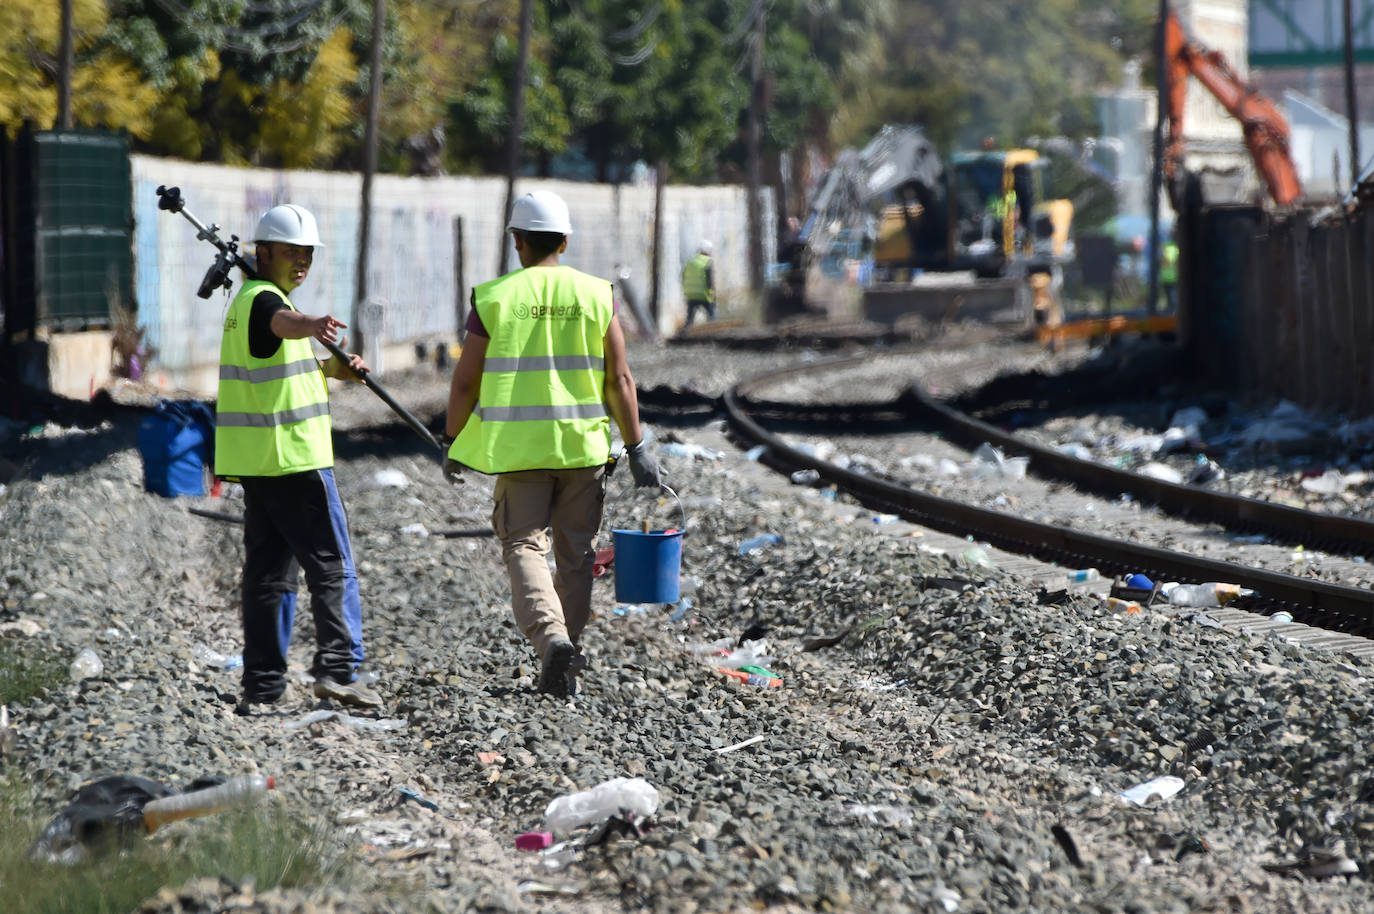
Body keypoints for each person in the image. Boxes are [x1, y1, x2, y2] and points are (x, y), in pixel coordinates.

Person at [443, 189, 661, 699]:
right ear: (564, 241)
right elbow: (620, 380)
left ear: (516, 242)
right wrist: (638, 448)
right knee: (576, 554)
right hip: (583, 450)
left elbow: (464, 383)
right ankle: (568, 651)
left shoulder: (494, 298)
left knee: (523, 544)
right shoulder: (596, 294)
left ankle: (552, 641)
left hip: (520, 452)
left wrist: (452, 440)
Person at [215, 203, 382, 711]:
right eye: (291, 252)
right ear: (262, 254)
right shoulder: (267, 303)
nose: (301, 261)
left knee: (268, 577)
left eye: (307, 253)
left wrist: (336, 368)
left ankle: (262, 687)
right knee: (333, 567)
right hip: (298, 464)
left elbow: (284, 359)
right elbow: (283, 324)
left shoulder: (249, 303)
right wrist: (312, 323)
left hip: (263, 466)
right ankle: (339, 671)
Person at [681, 240, 716, 327]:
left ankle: (685, 333)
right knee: (712, 315)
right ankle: (713, 330)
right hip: (703, 295)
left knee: (690, 318)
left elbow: (683, 276)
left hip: (690, 295)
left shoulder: (690, 261)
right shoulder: (708, 261)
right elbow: (710, 281)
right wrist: (713, 296)